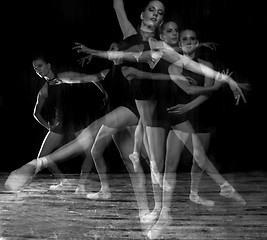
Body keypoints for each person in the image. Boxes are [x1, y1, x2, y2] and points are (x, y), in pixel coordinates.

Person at [121, 21, 247, 240]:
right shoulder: (158, 50)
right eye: (169, 31)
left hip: (177, 114)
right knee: (157, 167)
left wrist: (229, 81)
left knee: (193, 156)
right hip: (157, 114)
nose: (174, 34)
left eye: (176, 32)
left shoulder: (178, 58)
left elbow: (200, 71)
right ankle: (161, 210)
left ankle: (171, 210)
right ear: (161, 34)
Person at [31, 55, 105, 190]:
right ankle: (64, 181)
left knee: (91, 153)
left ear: (48, 65)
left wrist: (105, 93)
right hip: (61, 124)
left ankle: (82, 185)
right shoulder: (44, 90)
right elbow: (36, 113)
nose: (38, 70)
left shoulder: (64, 76)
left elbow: (91, 77)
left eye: (40, 66)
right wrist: (48, 127)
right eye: (35, 69)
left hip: (78, 122)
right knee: (41, 158)